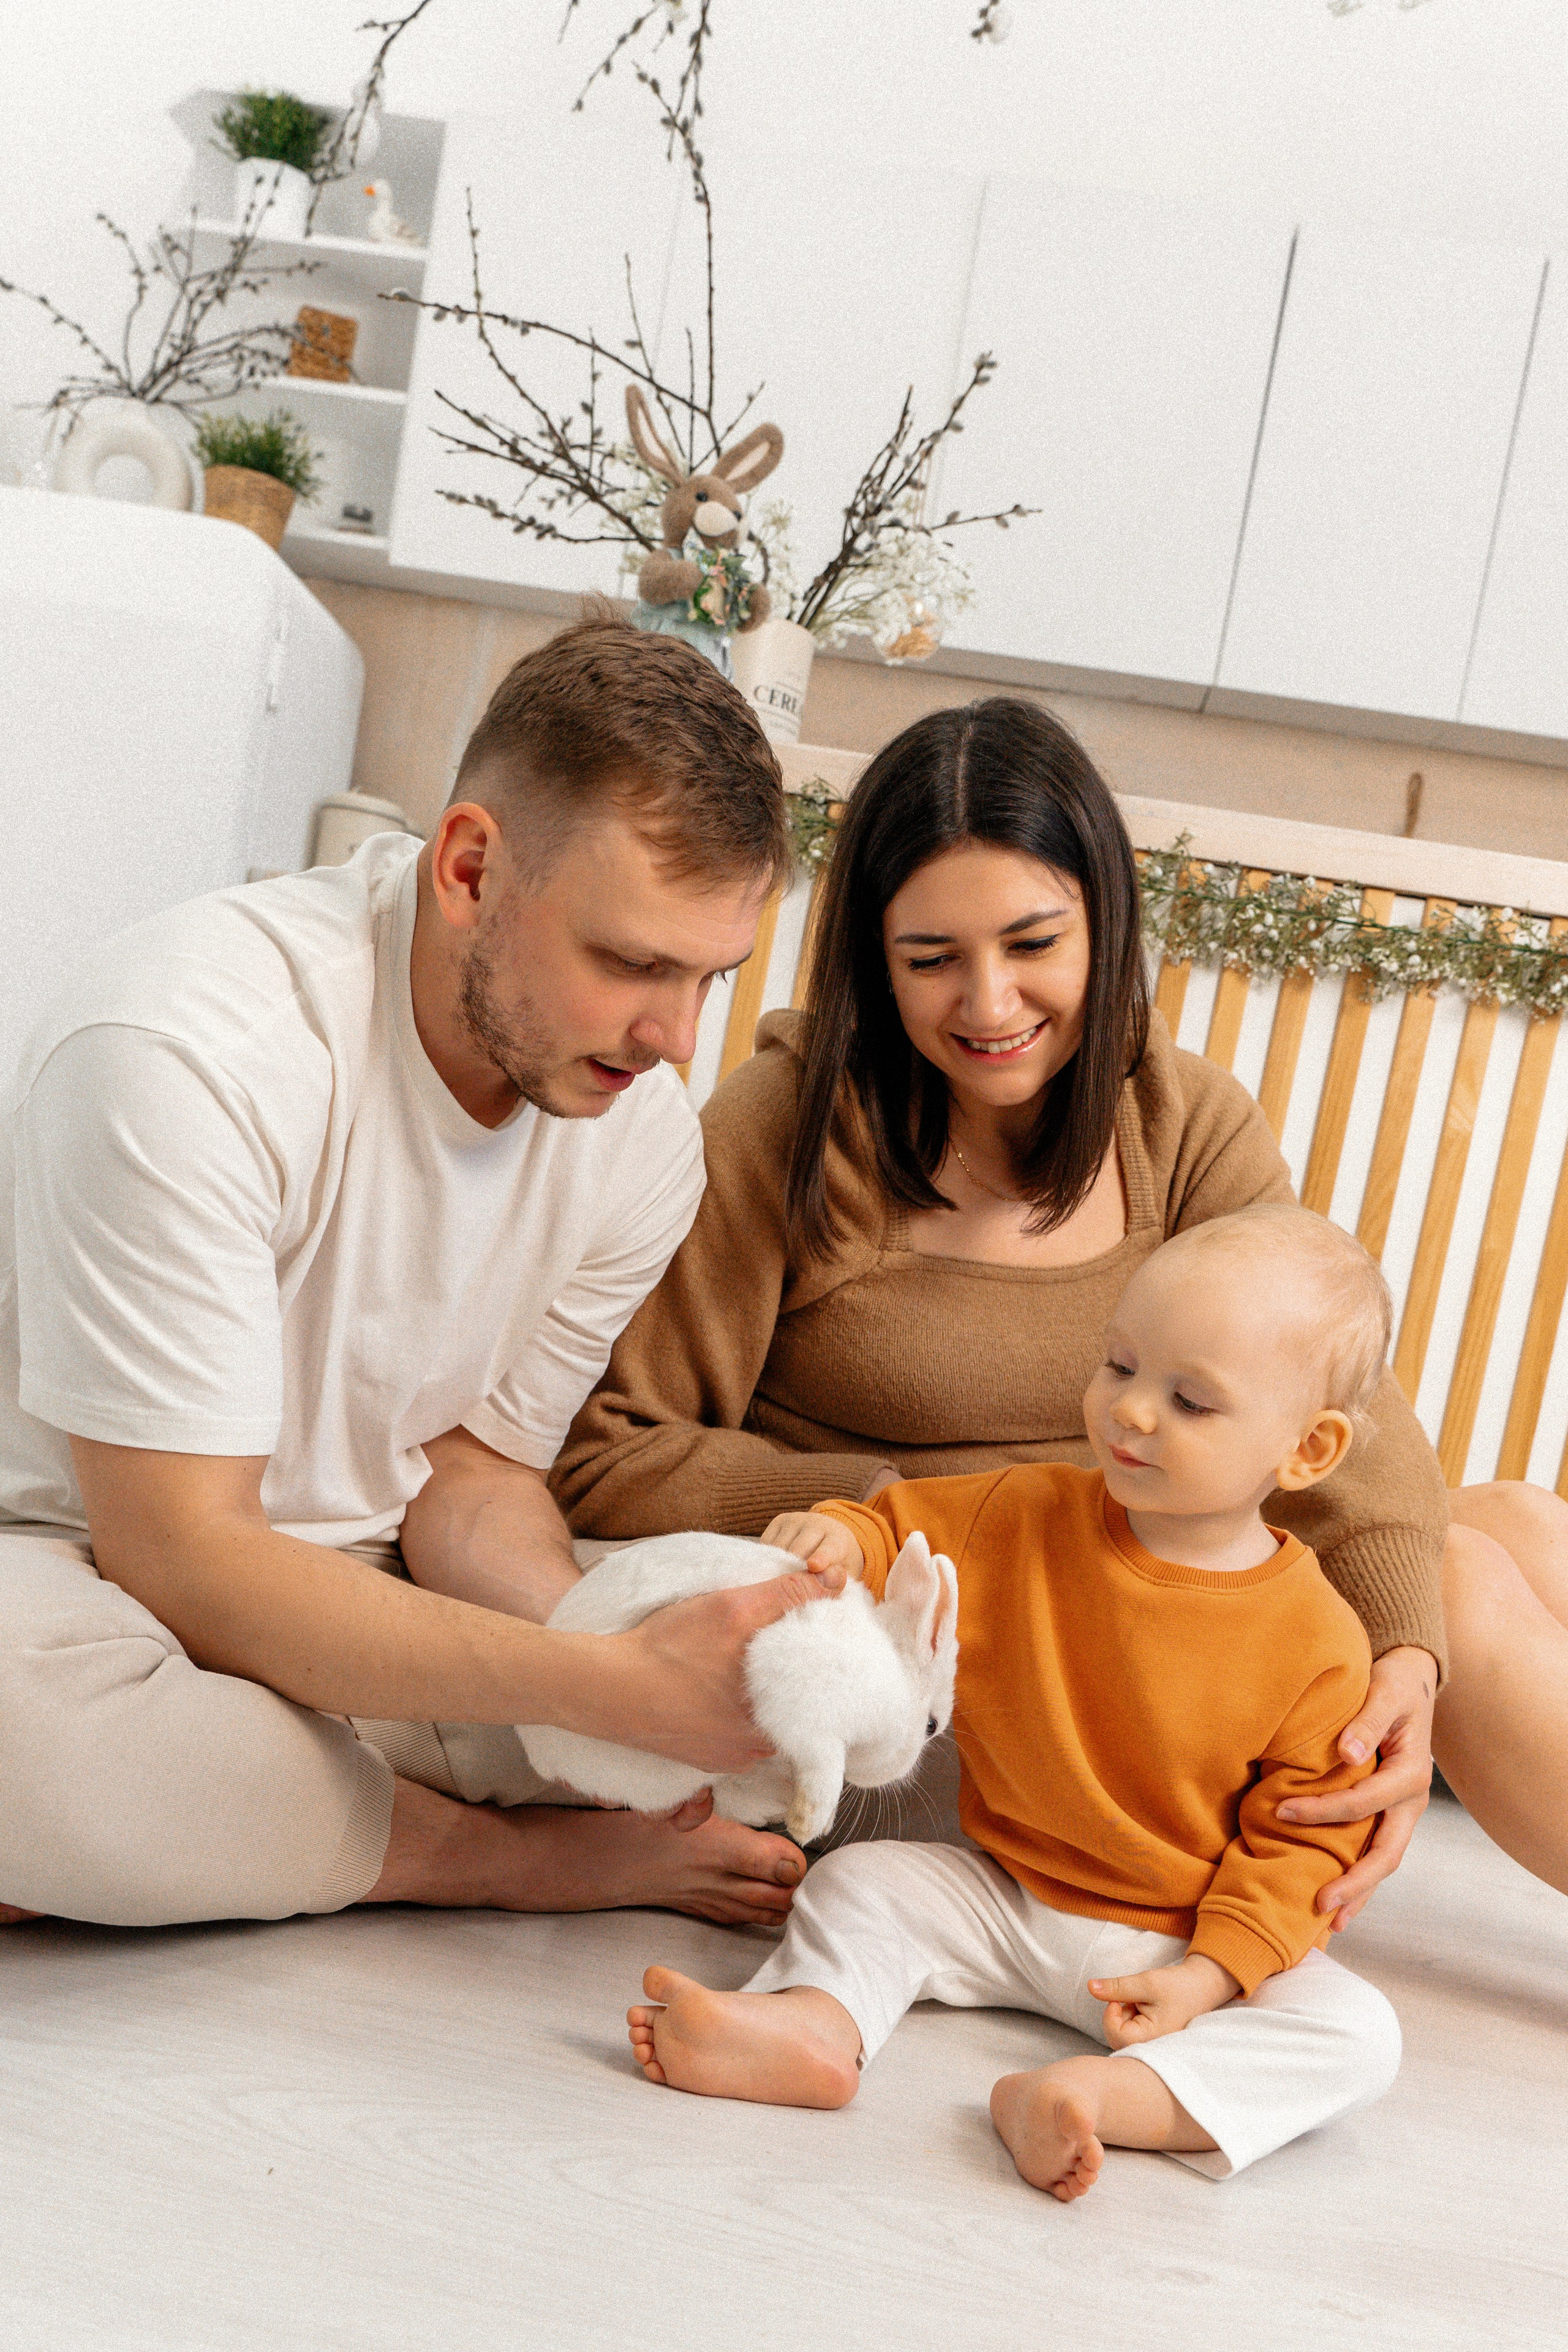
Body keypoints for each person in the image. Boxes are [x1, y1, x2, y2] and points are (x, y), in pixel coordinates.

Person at [555, 696, 1568, 1913]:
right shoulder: (785, 1130)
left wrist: (1406, 1662)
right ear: (873, 961)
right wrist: (887, 1499)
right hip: (991, 1632)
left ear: (1103, 922)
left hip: (1148, 1567)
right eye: (931, 960)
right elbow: (609, 1453)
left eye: (1032, 944)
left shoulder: (1179, 1118)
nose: (987, 1005)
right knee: (1459, 1572)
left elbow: (1340, 1402)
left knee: (1509, 1524)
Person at [0, 618, 840, 1934]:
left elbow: (469, 1477)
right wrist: (601, 1697)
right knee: (21, 1736)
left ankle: (252, 1832)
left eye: (708, 979)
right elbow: (182, 1555)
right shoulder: (186, 1046)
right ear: (467, 868)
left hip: (374, 1605)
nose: (673, 1040)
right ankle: (484, 1859)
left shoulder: (641, 1129)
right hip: (88, 1575)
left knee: (787, 1699)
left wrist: (623, 1658)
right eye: (630, 964)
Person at [627, 1207, 1404, 2196]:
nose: (1130, 1411)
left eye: (1191, 1401)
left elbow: (1304, 1846)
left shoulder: (1324, 1644)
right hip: (1002, 1893)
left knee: (1357, 2035)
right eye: (1121, 1365)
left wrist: (1207, 1978)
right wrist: (838, 1540)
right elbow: (903, 1529)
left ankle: (1092, 2098)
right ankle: (814, 2024)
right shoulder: (1026, 1512)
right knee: (865, 1880)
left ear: (1308, 1451)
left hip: (1178, 1942)